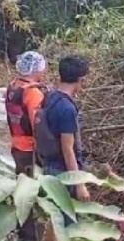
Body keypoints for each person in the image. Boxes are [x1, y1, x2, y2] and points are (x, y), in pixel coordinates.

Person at [5, 51, 49, 241]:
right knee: (32, 194)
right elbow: (36, 123)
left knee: (21, 189)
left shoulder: (13, 87)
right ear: (38, 68)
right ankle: (31, 240)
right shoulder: (33, 93)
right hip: (30, 149)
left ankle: (22, 231)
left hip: (16, 144)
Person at [35, 55, 90, 203]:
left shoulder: (50, 97)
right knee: (69, 219)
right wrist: (79, 184)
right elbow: (67, 149)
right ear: (81, 79)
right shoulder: (67, 108)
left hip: (48, 166)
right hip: (62, 172)